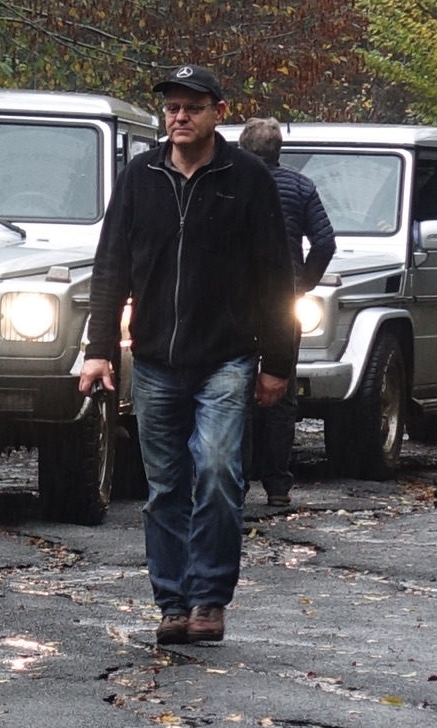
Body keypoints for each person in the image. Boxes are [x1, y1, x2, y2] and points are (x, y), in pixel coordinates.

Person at [75, 66, 294, 647]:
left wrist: (278, 362)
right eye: (172, 107)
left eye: (192, 107)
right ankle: (172, 602)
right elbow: (110, 269)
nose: (179, 117)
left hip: (226, 358)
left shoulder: (247, 179)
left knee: (219, 471)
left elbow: (277, 277)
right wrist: (98, 351)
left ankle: (209, 598)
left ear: (219, 112)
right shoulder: (140, 177)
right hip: (154, 361)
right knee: (165, 487)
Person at [234, 117, 333, 512]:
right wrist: (303, 284)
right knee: (282, 390)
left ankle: (236, 483)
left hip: (237, 300)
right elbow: (324, 241)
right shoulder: (301, 186)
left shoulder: (230, 182)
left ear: (242, 147)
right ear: (279, 150)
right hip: (283, 300)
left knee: (235, 391)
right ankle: (277, 485)